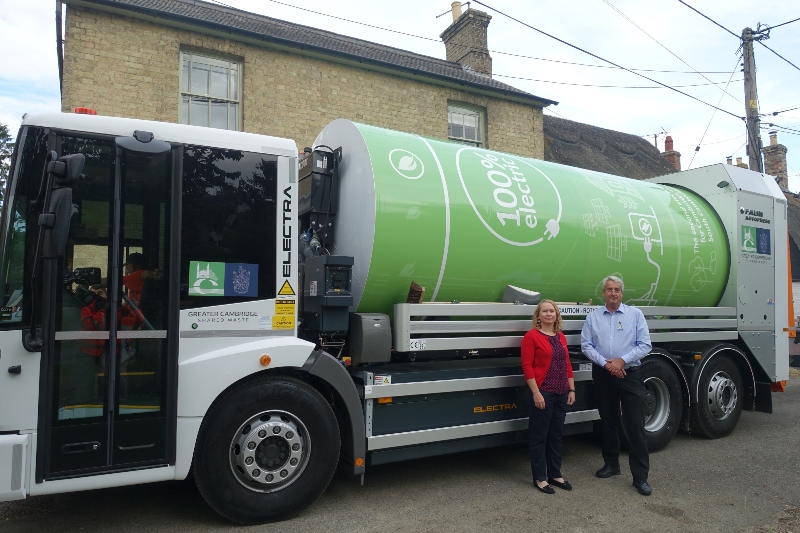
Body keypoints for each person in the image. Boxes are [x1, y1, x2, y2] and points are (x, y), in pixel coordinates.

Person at [581, 275, 653, 496]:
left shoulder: (635, 315)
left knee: (635, 426)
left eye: (617, 289)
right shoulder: (593, 317)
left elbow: (645, 345)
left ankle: (640, 477)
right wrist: (607, 364)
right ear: (603, 293)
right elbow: (586, 345)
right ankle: (612, 465)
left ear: (622, 293)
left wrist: (621, 361)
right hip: (603, 374)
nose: (613, 293)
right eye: (609, 289)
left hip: (630, 374)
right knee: (608, 421)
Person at [521, 299, 576, 494]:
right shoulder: (531, 336)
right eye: (544, 311)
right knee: (539, 436)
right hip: (542, 392)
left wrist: (571, 389)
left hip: (561, 392)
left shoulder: (560, 336)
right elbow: (527, 367)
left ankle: (555, 474)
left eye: (551, 311)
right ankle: (540, 478)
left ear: (556, 315)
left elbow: (567, 363)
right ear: (538, 315)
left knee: (556, 435)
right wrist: (536, 393)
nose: (548, 314)